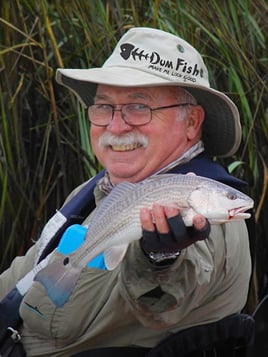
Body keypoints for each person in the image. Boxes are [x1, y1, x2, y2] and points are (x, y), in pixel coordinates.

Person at [0, 27, 252, 356]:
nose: (115, 126)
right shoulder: (99, 189)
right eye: (103, 107)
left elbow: (166, 301)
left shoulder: (211, 218)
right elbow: (25, 271)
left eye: (138, 107)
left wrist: (160, 257)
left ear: (191, 123)